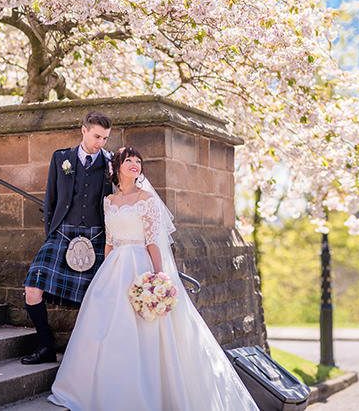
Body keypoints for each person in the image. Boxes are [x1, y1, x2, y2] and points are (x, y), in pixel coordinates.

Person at [48, 147, 259, 410]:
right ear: (117, 167)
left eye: (138, 161)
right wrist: (102, 270)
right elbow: (110, 242)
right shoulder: (109, 201)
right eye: (129, 161)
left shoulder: (147, 199)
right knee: (102, 325)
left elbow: (153, 242)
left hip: (140, 265)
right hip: (113, 268)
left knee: (142, 329)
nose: (135, 164)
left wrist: (159, 278)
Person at [21, 110, 113, 365]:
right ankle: (46, 346)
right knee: (32, 288)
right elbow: (50, 198)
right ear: (83, 130)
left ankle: (88, 357)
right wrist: (51, 233)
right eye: (96, 136)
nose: (100, 143)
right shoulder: (61, 158)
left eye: (105, 138)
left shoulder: (111, 162)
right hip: (62, 233)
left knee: (94, 298)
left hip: (97, 235)